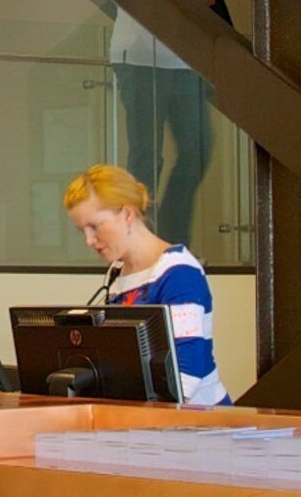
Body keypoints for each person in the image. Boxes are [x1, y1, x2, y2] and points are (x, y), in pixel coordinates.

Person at [105, 0, 218, 245]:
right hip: (142, 57)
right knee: (146, 155)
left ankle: (169, 234)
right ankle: (139, 237)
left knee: (198, 148)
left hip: (179, 58)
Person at [61, 163, 227, 407]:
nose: (89, 240)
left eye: (95, 226)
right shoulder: (118, 273)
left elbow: (185, 379)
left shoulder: (178, 273)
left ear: (127, 214)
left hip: (199, 424)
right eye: (81, 231)